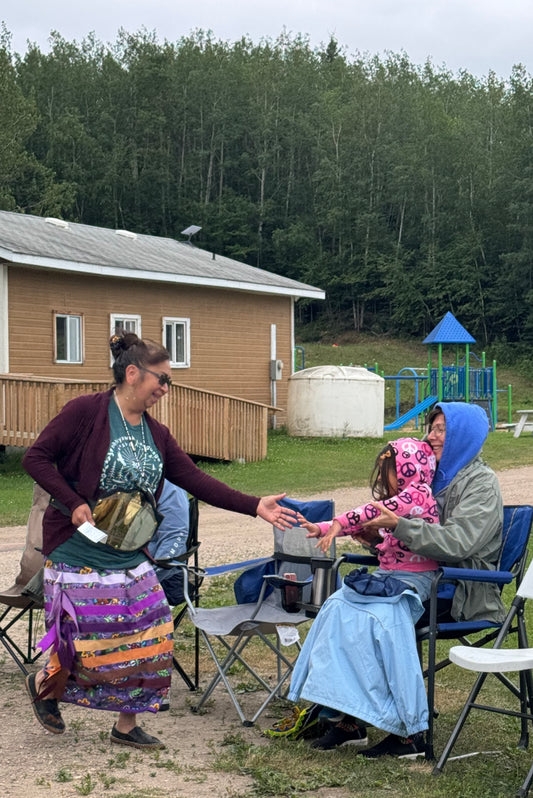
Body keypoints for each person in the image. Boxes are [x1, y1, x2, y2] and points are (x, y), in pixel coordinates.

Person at [22, 331, 295, 751]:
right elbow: (35, 457)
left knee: (152, 626)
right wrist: (74, 501)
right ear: (133, 373)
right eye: (162, 380)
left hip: (130, 552)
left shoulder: (156, 434)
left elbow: (194, 479)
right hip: (77, 547)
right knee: (87, 636)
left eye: (169, 382)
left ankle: (126, 726)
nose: (165, 389)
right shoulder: (86, 412)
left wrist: (254, 504)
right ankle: (45, 682)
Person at [286, 401, 504, 758]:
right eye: (431, 428)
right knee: (339, 607)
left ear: (466, 435)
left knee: (381, 618)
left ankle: (409, 732)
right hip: (419, 578)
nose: (432, 436)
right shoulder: (428, 474)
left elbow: (457, 544)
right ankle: (347, 716)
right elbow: (406, 545)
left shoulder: (480, 484)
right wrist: (376, 539)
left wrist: (398, 525)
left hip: (460, 585)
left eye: (442, 430)